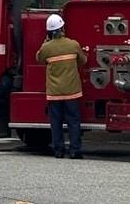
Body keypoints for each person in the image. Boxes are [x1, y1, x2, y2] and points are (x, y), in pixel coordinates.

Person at [34, 13, 86, 159]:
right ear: (63, 28)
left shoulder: (46, 48)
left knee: (55, 122)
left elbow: (38, 59)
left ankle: (58, 150)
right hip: (72, 92)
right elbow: (83, 61)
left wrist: (46, 41)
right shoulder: (73, 44)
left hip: (54, 93)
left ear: (49, 32)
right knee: (73, 121)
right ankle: (75, 150)